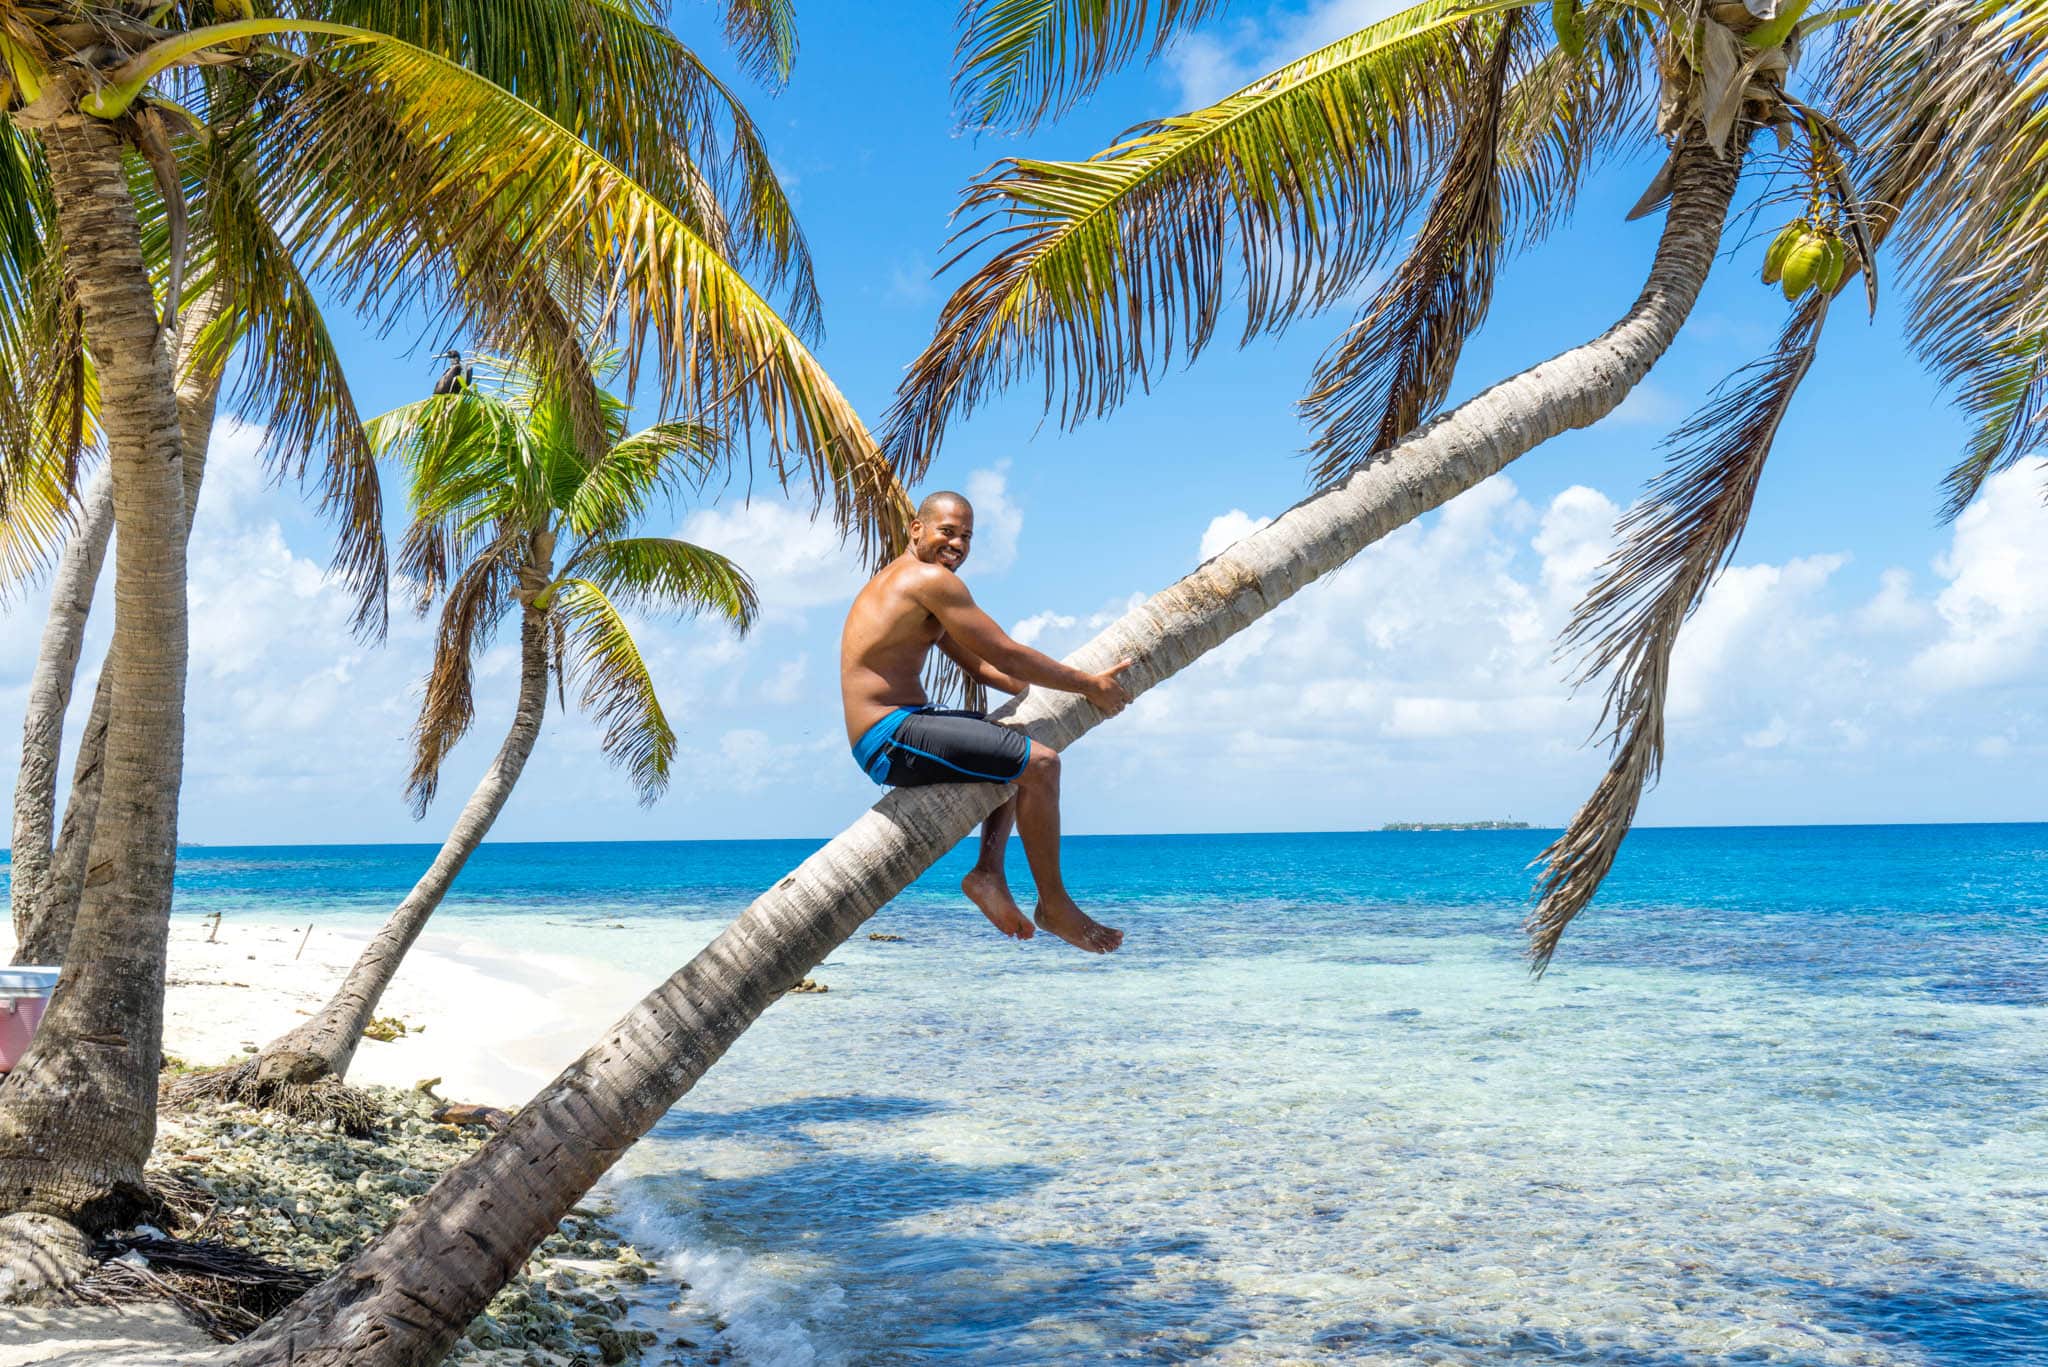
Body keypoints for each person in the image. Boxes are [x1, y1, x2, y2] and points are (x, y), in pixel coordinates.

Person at [840, 490, 1133, 952]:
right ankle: (1054, 904)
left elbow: (979, 665)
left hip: (901, 726)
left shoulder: (903, 582)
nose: (957, 544)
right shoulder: (930, 581)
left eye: (966, 536)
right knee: (1042, 765)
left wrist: (1027, 692)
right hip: (890, 736)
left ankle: (988, 873)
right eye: (947, 531)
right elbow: (1004, 651)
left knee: (1008, 747)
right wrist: (1086, 684)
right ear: (917, 528)